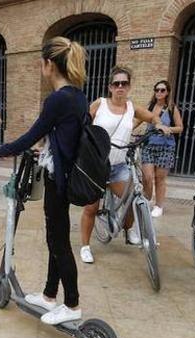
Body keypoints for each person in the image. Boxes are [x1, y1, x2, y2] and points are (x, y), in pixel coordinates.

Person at [0, 36, 88, 325]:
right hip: (63, 175)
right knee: (55, 237)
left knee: (59, 241)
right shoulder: (78, 95)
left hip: (58, 180)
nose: (40, 66)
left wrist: (3, 149)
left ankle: (71, 304)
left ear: (49, 64)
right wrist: (46, 146)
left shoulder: (58, 99)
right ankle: (50, 295)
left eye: (42, 62)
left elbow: (32, 134)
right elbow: (61, 136)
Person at [79, 65, 168, 264]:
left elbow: (152, 116)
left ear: (129, 86)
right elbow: (82, 122)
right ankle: (85, 246)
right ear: (110, 87)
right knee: (91, 208)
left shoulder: (131, 108)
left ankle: (129, 232)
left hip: (118, 166)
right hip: (96, 166)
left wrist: (159, 124)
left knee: (131, 201)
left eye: (124, 83)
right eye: (116, 83)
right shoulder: (100, 104)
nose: (120, 87)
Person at [137, 80, 183, 218]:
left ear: (167, 92)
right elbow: (138, 120)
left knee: (159, 178)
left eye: (162, 90)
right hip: (148, 145)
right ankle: (147, 200)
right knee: (147, 176)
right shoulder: (150, 107)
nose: (159, 93)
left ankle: (158, 206)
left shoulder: (172, 108)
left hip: (166, 146)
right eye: (157, 90)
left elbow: (180, 127)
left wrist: (168, 129)